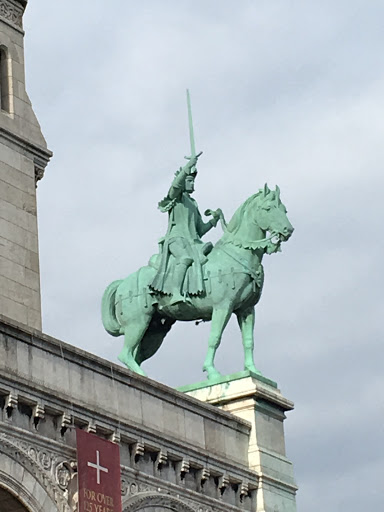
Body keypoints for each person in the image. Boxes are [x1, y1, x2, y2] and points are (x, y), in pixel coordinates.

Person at [150, 154, 220, 305]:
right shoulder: (177, 197)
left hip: (192, 241)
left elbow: (200, 229)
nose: (192, 184)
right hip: (176, 239)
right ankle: (175, 293)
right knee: (184, 258)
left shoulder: (193, 203)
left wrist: (214, 220)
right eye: (189, 181)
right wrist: (189, 165)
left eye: (193, 181)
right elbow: (175, 185)